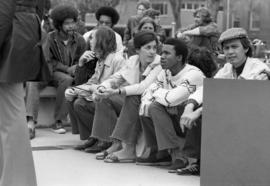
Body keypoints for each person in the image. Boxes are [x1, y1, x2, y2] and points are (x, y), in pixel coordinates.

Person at [177, 27, 270, 175]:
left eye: (235, 47)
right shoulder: (227, 68)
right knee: (196, 110)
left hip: (256, 119)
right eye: (226, 48)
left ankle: (209, 163)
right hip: (236, 112)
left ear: (246, 48)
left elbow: (237, 98)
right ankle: (197, 162)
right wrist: (189, 108)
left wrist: (199, 111)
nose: (230, 52)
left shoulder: (258, 68)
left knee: (205, 115)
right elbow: (207, 90)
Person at [84, 31, 162, 156]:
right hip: (135, 102)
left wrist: (116, 91)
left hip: (151, 104)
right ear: (137, 49)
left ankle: (125, 146)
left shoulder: (159, 63)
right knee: (104, 98)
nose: (152, 51)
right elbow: (116, 78)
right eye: (148, 48)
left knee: (132, 97)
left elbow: (143, 87)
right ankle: (113, 143)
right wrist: (102, 89)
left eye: (154, 48)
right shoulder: (133, 60)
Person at [0, 0, 50, 185]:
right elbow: (41, 8)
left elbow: (4, 10)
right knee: (8, 116)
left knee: (10, 118)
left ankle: (17, 181)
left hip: (10, 36)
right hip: (23, 35)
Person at [137, 38, 205, 167]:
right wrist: (162, 98)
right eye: (161, 53)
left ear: (179, 57)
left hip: (191, 123)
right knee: (148, 106)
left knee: (155, 105)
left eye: (167, 53)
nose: (161, 57)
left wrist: (157, 92)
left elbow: (171, 99)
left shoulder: (193, 74)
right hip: (175, 118)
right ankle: (159, 152)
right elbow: (147, 93)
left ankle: (178, 155)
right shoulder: (165, 72)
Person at [25, 4, 86, 135]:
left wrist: (77, 66)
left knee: (67, 79)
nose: (70, 26)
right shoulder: (50, 38)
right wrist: (67, 68)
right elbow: (48, 61)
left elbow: (84, 60)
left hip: (67, 76)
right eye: (66, 23)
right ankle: (30, 122)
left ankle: (58, 121)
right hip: (49, 72)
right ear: (59, 24)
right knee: (33, 81)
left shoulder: (80, 40)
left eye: (72, 22)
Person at [64, 26, 125, 150]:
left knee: (83, 102)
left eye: (93, 38)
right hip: (100, 95)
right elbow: (92, 82)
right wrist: (75, 90)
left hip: (116, 99)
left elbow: (115, 86)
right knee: (74, 99)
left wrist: (87, 90)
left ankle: (105, 139)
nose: (89, 41)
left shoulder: (118, 60)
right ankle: (93, 137)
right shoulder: (100, 61)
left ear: (101, 41)